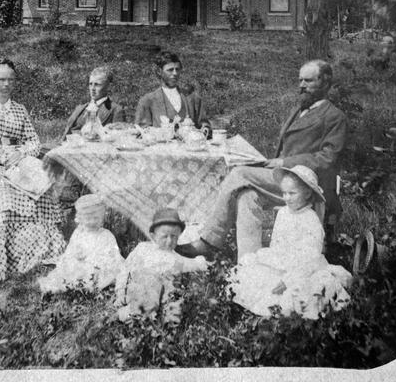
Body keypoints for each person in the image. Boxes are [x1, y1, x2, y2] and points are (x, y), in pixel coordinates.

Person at [177, 59, 347, 260]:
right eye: (300, 80)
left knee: (239, 173)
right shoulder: (299, 109)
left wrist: (285, 163)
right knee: (247, 196)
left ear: (325, 84)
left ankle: (208, 241)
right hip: (284, 180)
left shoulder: (334, 116)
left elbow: (328, 158)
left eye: (308, 81)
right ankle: (249, 264)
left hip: (307, 185)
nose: (301, 85)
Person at [0, 59, 65, 282]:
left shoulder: (19, 109)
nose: (6, 84)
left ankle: (35, 255)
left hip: (19, 163)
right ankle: (1, 260)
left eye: (10, 80)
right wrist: (0, 155)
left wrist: (22, 153)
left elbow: (34, 142)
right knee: (3, 204)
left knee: (41, 194)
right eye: (1, 79)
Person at [227, 165, 353, 319]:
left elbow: (311, 258)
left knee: (302, 293)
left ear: (307, 193)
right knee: (250, 272)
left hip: (303, 268)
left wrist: (288, 279)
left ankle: (285, 310)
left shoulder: (311, 221)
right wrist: (272, 261)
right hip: (282, 261)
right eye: (284, 193)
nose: (286, 198)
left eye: (292, 193)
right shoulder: (282, 213)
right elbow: (276, 244)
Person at [115, 208, 207, 323]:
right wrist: (120, 292)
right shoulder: (142, 249)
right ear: (153, 236)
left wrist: (202, 262)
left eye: (174, 236)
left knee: (174, 305)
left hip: (161, 296)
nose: (169, 241)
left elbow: (192, 264)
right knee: (149, 285)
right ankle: (129, 314)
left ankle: (153, 319)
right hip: (139, 289)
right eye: (164, 236)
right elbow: (125, 269)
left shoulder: (175, 258)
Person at [37, 194, 124, 293]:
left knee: (103, 272)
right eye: (88, 219)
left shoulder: (106, 235)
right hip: (81, 265)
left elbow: (112, 255)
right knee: (69, 268)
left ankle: (87, 285)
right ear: (81, 219)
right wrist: (76, 254)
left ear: (102, 217)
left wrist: (97, 260)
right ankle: (73, 285)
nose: (92, 222)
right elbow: (70, 251)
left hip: (98, 267)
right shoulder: (79, 233)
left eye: (96, 218)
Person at [134, 51, 211, 136]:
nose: (175, 73)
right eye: (170, 70)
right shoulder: (148, 101)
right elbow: (140, 132)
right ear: (159, 71)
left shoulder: (193, 98)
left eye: (177, 69)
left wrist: (202, 132)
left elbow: (205, 126)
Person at [62, 66, 125, 139]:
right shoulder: (80, 109)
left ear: (108, 86)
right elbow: (66, 134)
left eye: (97, 84)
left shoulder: (116, 110)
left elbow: (119, 140)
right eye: (90, 84)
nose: (92, 88)